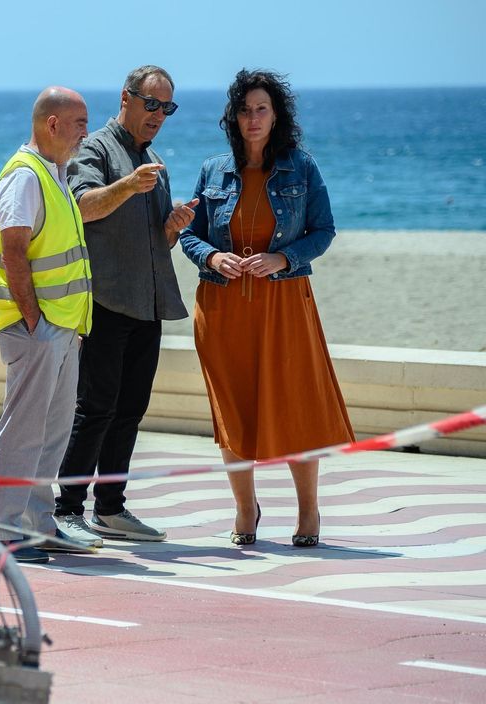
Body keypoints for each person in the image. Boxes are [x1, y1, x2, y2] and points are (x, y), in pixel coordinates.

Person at [179, 70, 350, 548]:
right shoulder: (213, 170)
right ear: (232, 117)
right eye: (244, 110)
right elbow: (189, 234)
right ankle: (244, 509)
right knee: (232, 409)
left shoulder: (302, 167)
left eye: (262, 109)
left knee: (295, 404)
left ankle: (308, 510)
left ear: (277, 116)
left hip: (284, 306)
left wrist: (283, 257)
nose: (252, 119)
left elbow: (324, 231)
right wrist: (212, 256)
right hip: (223, 307)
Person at [53, 66, 196, 548]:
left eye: (167, 108)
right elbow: (82, 207)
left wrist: (173, 227)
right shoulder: (94, 148)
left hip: (148, 304)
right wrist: (126, 187)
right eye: (152, 104)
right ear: (127, 98)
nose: (158, 115)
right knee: (94, 408)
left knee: (130, 410)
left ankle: (110, 509)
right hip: (106, 302)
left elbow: (157, 242)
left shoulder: (155, 163)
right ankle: (66, 508)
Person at [0, 88, 94, 565]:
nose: (85, 132)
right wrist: (35, 321)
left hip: (63, 328)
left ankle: (37, 526)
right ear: (52, 123)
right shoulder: (26, 176)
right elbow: (14, 249)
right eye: (78, 122)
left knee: (52, 434)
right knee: (23, 434)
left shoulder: (56, 174)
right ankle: (5, 531)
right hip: (38, 331)